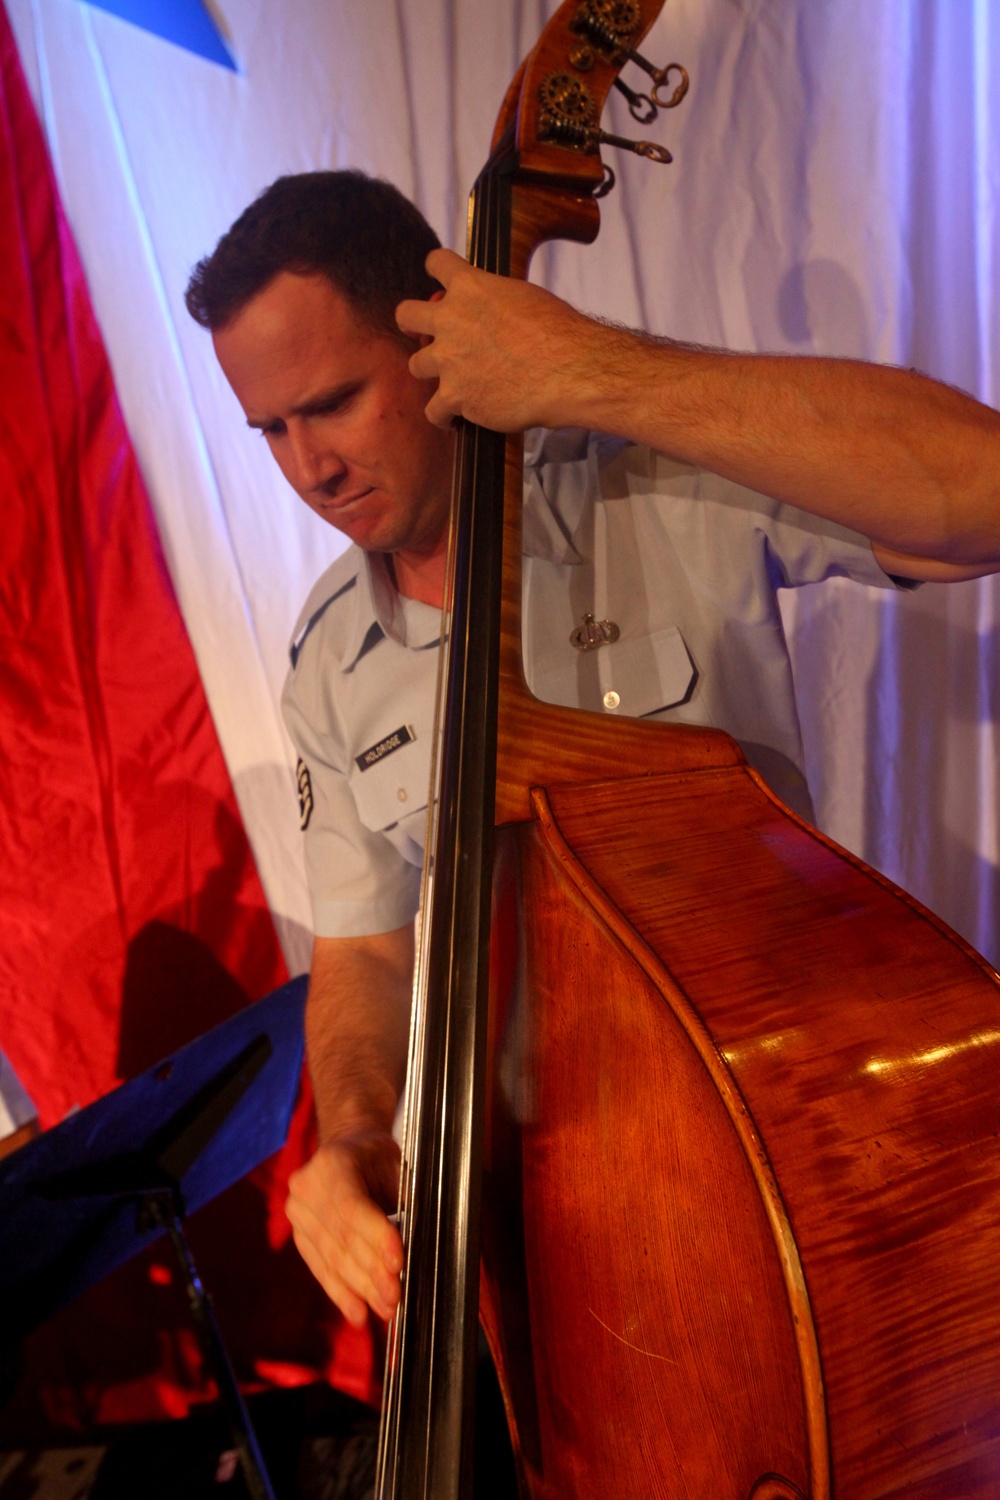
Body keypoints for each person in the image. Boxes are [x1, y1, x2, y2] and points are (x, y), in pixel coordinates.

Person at [185, 169, 1000, 1333]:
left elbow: (984, 492)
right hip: (541, 1250)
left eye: (333, 401)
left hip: (785, 1168)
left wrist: (598, 372)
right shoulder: (327, 652)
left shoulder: (654, 483)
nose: (306, 468)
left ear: (433, 343)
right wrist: (360, 1129)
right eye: (269, 428)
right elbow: (365, 952)